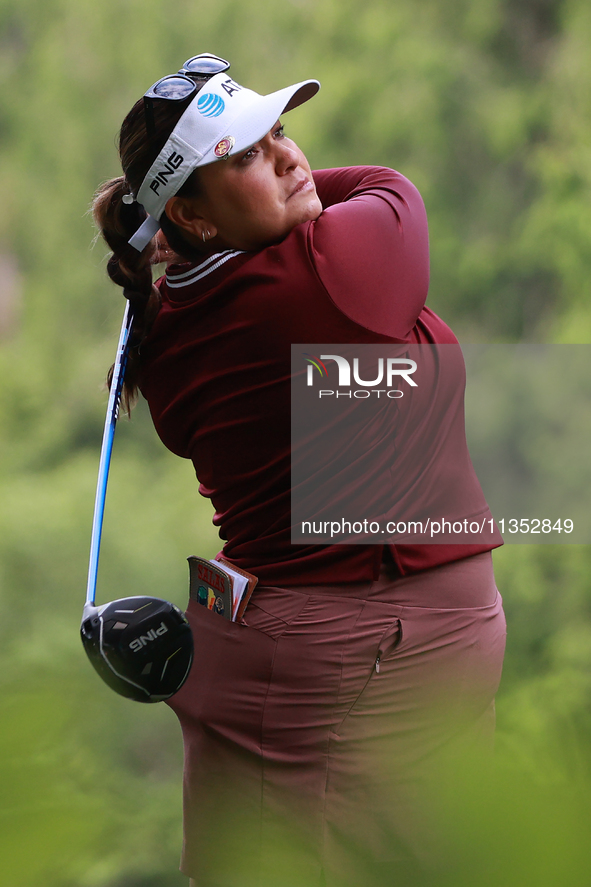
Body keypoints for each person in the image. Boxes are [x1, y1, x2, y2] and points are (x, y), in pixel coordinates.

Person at [92, 53, 506, 887]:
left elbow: (293, 207)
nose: (288, 155)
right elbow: (390, 187)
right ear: (193, 218)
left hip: (314, 651)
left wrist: (210, 204)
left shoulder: (166, 324)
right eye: (245, 153)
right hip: (363, 658)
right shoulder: (328, 269)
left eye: (280, 132)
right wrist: (291, 201)